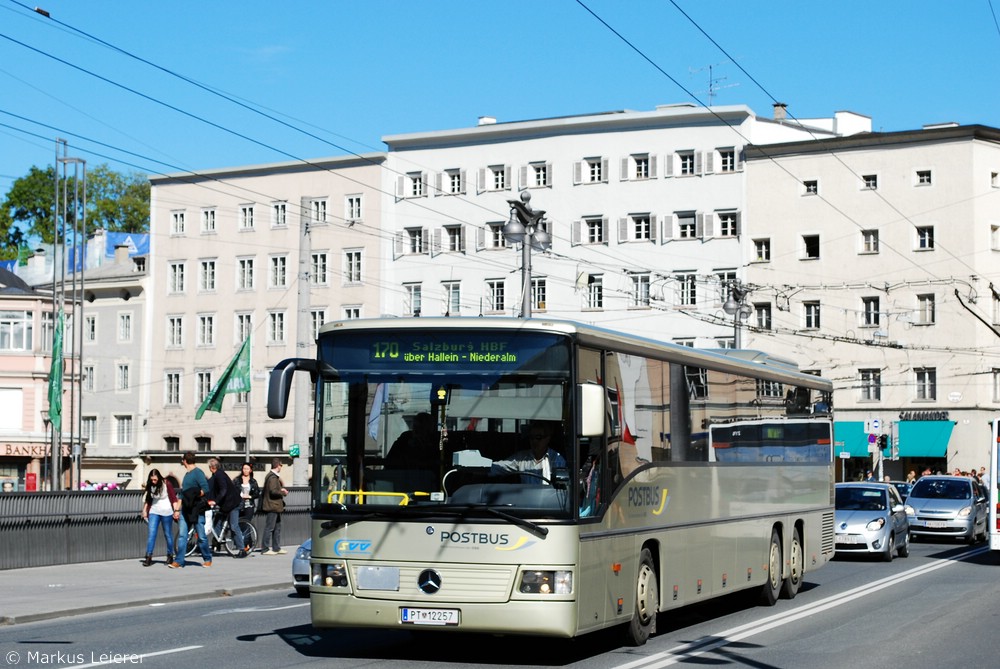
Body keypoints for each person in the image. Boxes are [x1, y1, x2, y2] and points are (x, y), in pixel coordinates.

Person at [490, 420, 567, 484]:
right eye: (531, 437)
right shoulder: (521, 458)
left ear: (548, 438)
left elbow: (561, 488)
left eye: (538, 438)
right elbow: (499, 467)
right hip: (526, 499)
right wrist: (482, 466)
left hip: (547, 500)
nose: (534, 441)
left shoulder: (557, 459)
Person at [170, 451, 211, 568]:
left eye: (182, 460)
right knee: (183, 535)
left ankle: (207, 558)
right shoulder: (187, 475)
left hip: (196, 509)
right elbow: (182, 495)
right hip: (185, 509)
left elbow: (206, 488)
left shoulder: (198, 473)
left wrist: (195, 494)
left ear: (185, 461)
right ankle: (178, 561)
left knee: (201, 536)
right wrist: (177, 510)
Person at [207, 458, 246, 558]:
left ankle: (242, 549)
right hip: (225, 505)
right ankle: (217, 543)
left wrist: (215, 501)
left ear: (212, 467)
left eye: (209, 467)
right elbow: (209, 487)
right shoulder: (216, 475)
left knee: (233, 526)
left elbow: (223, 489)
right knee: (217, 523)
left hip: (233, 504)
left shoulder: (219, 475)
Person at [141, 468, 179, 567]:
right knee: (152, 533)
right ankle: (148, 556)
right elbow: (148, 499)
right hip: (154, 511)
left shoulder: (166, 483)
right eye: (152, 480)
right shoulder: (150, 485)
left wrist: (176, 511)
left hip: (166, 511)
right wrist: (145, 510)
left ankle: (170, 555)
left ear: (159, 478)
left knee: (167, 534)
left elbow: (173, 498)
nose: (153, 482)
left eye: (155, 480)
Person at [261, 458, 289, 555]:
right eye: (281, 465)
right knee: (270, 527)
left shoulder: (273, 476)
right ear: (278, 465)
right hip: (272, 505)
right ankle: (265, 548)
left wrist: (280, 489)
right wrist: (283, 492)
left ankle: (276, 547)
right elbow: (273, 491)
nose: (281, 467)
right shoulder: (272, 477)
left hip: (275, 506)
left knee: (277, 527)